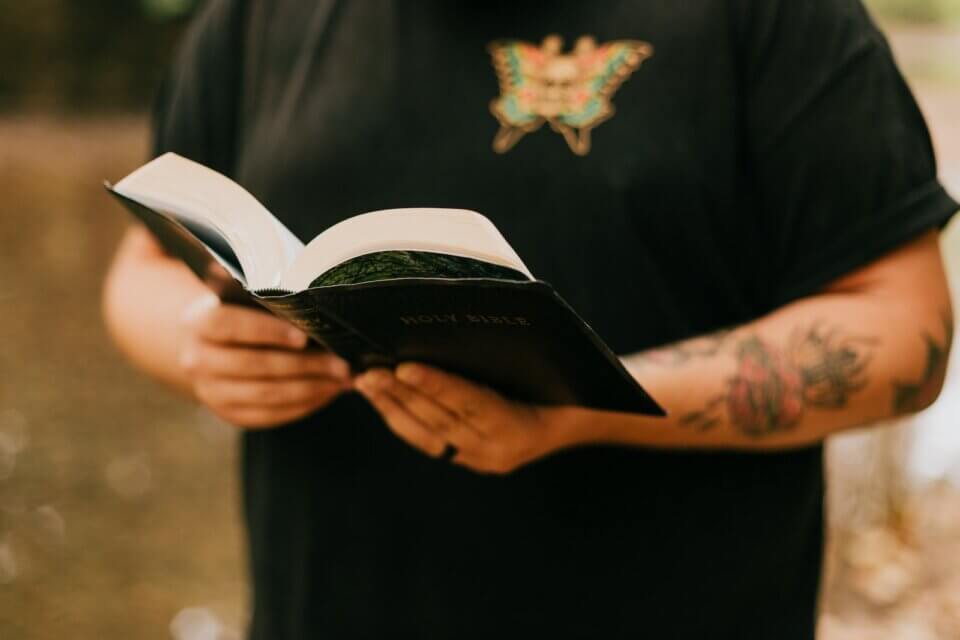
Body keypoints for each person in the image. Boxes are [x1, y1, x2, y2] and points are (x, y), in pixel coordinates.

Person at [102, 1, 959, 638]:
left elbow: (904, 331)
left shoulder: (773, 18)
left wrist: (582, 408)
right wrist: (197, 344)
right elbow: (141, 266)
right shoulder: (257, 19)